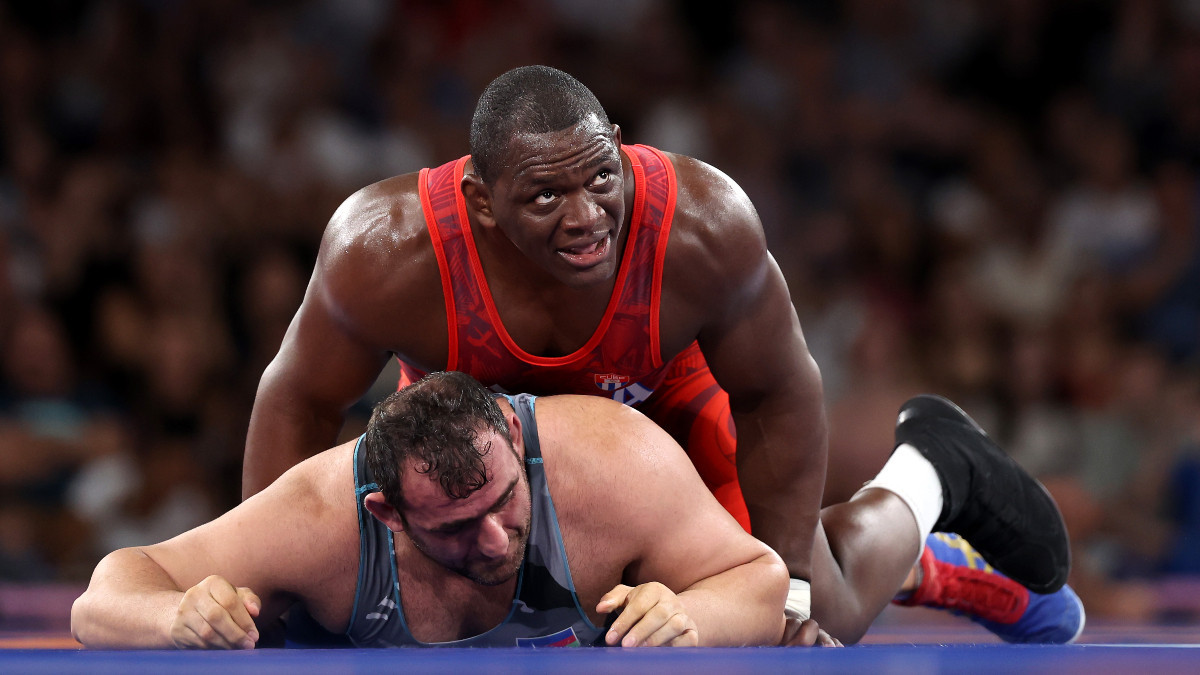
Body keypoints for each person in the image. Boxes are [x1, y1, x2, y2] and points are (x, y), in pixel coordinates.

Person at [242, 65, 1068, 638]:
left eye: (601, 177)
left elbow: (780, 389)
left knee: (817, 613)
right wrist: (271, 587)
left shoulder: (702, 225)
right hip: (479, 451)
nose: (586, 217)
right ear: (480, 202)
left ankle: (930, 470)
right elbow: (300, 400)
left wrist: (788, 591)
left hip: (666, 405)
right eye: (544, 195)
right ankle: (914, 564)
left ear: (621, 143)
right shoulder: (386, 250)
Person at [73, 372, 1082, 649]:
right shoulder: (320, 512)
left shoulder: (603, 460)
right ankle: (936, 572)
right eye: (455, 530)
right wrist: (173, 615)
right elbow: (108, 590)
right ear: (385, 515)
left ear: (519, 451)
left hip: (665, 430)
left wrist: (693, 617)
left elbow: (759, 580)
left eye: (504, 506)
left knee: (817, 617)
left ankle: (928, 469)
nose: (497, 539)